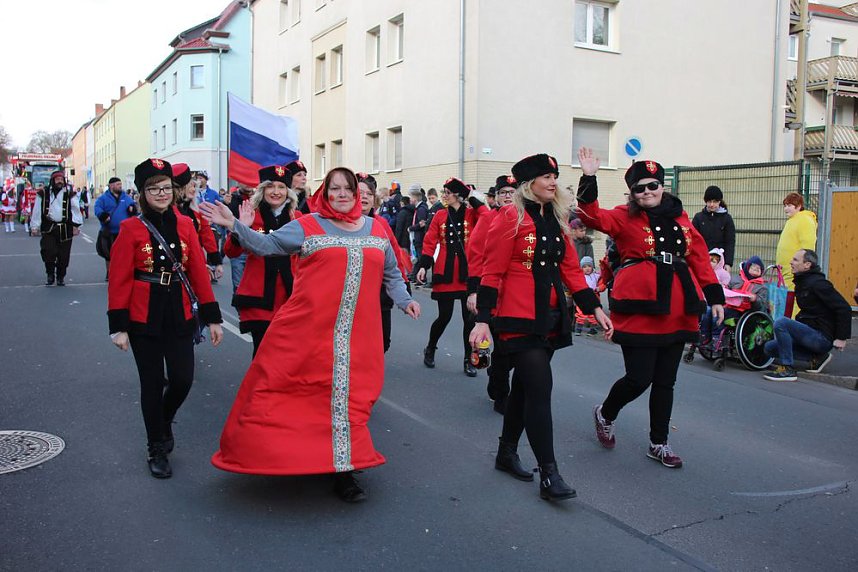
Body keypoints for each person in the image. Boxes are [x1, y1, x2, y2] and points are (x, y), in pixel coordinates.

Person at [200, 167, 420, 503]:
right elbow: (267, 245)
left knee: (351, 399)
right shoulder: (308, 225)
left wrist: (405, 300)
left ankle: (344, 467)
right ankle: (303, 459)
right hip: (308, 330)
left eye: (348, 189)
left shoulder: (376, 229)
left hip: (359, 334)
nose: (342, 194)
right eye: (335, 188)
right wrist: (235, 226)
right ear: (325, 193)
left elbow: (391, 273)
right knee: (305, 395)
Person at [470, 154, 612, 501]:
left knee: (523, 388)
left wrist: (594, 307)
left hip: (549, 316)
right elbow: (493, 270)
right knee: (539, 389)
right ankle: (549, 473)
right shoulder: (509, 217)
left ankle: (506, 452)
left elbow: (571, 270)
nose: (552, 182)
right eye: (546, 176)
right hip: (517, 317)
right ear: (528, 183)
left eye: (555, 176)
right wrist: (483, 319)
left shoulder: (556, 218)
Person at [576, 149, 725, 469]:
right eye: (639, 188)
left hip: (677, 306)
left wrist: (715, 297)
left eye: (652, 186)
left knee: (665, 381)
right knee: (638, 378)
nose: (647, 192)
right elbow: (591, 217)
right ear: (632, 193)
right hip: (639, 306)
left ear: (662, 186)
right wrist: (589, 177)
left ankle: (659, 442)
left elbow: (699, 257)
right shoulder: (624, 216)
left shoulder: (681, 218)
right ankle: (606, 413)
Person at [107, 158, 224, 478]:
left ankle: (163, 418)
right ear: (142, 193)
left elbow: (197, 272)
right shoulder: (130, 228)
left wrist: (213, 318)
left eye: (166, 188)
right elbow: (119, 278)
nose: (161, 193)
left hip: (179, 310)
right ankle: (156, 446)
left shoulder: (186, 224)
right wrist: (118, 327)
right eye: (153, 189)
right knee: (152, 382)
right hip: (143, 315)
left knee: (183, 379)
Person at [415, 177, 487, 376]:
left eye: (448, 192)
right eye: (444, 192)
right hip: (445, 272)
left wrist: (472, 198)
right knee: (444, 317)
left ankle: (469, 359)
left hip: (468, 274)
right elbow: (429, 241)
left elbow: (487, 216)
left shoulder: (472, 214)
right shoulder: (439, 215)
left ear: (457, 195)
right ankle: (431, 347)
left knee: (469, 320)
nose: (444, 196)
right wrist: (423, 266)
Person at [225, 165, 299, 356]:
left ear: (288, 192)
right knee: (262, 352)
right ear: (262, 189)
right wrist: (241, 228)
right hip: (260, 297)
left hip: (290, 297)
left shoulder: (298, 218)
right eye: (270, 186)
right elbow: (231, 252)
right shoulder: (251, 214)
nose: (276, 192)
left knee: (288, 354)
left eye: (281, 187)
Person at [467, 174, 518, 414]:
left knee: (513, 349)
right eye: (503, 192)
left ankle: (497, 374)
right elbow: (476, 255)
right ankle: (500, 393)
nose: (508, 196)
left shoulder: (526, 218)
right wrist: (474, 291)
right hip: (492, 292)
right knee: (501, 347)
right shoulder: (488, 219)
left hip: (516, 295)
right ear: (496, 197)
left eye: (512, 192)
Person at [763, 249, 851, 380]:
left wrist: (841, 338)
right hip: (810, 334)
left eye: (795, 260)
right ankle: (817, 357)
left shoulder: (818, 284)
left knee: (781, 323)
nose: (791, 262)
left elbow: (844, 308)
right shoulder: (802, 282)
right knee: (769, 348)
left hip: (822, 338)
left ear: (807, 265)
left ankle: (787, 369)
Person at [357, 172, 412, 353]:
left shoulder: (381, 223)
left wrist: (404, 283)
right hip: (353, 293)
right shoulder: (340, 223)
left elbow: (394, 254)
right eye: (360, 193)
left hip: (379, 292)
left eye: (369, 193)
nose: (365, 197)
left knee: (382, 342)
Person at [172, 164, 223, 283]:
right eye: (190, 186)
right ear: (180, 188)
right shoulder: (170, 211)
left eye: (195, 186)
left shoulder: (195, 210)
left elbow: (207, 235)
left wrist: (217, 262)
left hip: (197, 259)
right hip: (177, 263)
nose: (194, 189)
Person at [31, 171, 82, 286]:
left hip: (65, 228)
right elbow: (37, 210)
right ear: (52, 181)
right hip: (49, 228)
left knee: (64, 256)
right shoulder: (43, 194)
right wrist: (35, 226)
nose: (60, 181)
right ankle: (50, 274)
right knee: (48, 252)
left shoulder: (70, 194)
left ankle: (60, 277)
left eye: (61, 179)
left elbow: (76, 210)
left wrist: (76, 225)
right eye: (57, 179)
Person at [775, 192, 817, 316]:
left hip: (795, 270)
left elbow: (808, 246)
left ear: (798, 206)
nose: (786, 208)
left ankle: (794, 322)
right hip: (786, 271)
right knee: (786, 300)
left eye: (789, 205)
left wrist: (802, 265)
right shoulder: (792, 220)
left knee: (794, 299)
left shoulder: (804, 220)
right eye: (785, 205)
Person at [94, 177, 138, 280]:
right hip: (109, 231)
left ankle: (123, 272)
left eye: (120, 184)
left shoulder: (125, 197)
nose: (120, 186)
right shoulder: (103, 198)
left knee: (125, 254)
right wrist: (102, 215)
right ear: (111, 186)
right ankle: (109, 273)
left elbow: (133, 205)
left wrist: (132, 209)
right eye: (118, 184)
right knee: (108, 254)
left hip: (123, 232)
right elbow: (97, 208)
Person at [691, 185, 736, 272]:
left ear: (719, 201)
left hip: (720, 262)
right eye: (709, 201)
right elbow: (694, 240)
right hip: (702, 260)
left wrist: (728, 263)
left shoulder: (727, 219)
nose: (712, 204)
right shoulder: (698, 218)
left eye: (715, 201)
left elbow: (730, 242)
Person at [227, 184, 254, 294]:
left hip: (255, 249)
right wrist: (226, 204)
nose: (248, 184)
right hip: (238, 246)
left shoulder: (260, 198)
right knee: (238, 286)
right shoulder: (232, 198)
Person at [574, 256, 602, 336]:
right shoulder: (580, 276)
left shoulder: (596, 276)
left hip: (594, 297)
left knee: (593, 314)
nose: (587, 268)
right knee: (580, 313)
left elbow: (603, 281)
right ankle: (578, 328)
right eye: (584, 267)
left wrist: (599, 288)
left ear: (592, 267)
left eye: (589, 266)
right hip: (582, 297)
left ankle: (593, 329)